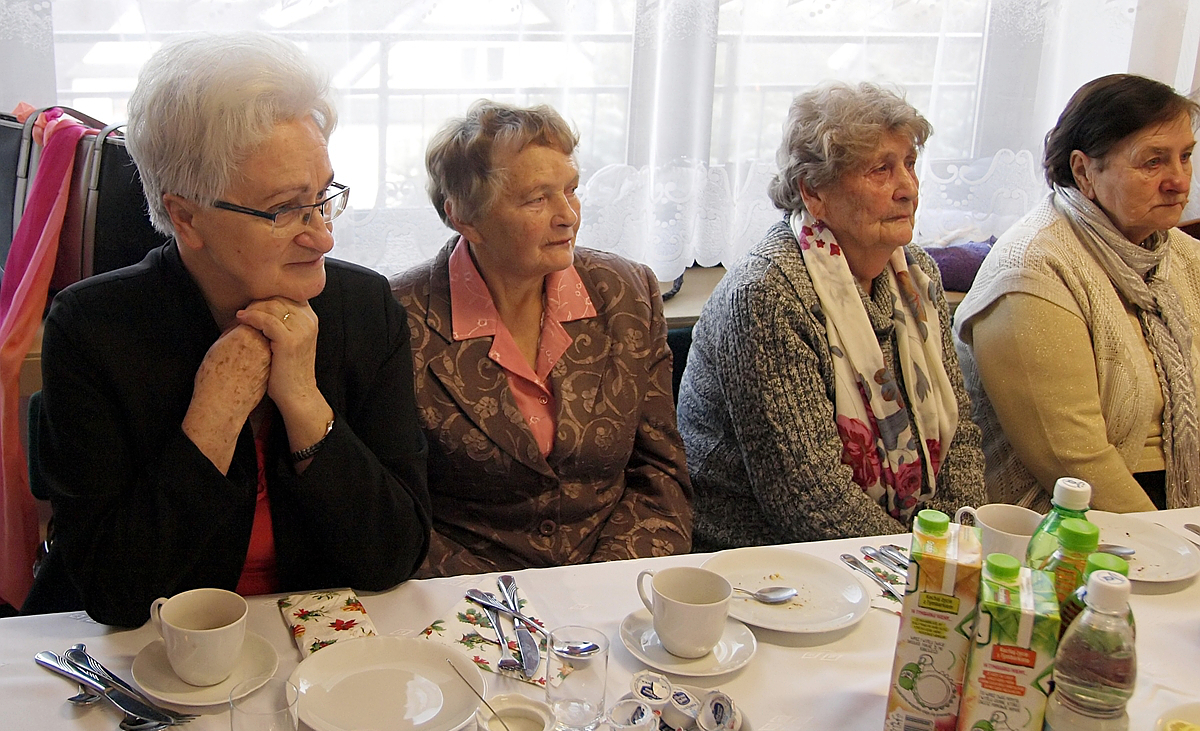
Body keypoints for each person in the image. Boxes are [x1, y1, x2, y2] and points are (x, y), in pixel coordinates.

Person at [22, 33, 432, 626]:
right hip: (155, 654)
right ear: (186, 217)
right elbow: (115, 594)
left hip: (315, 654)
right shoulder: (94, 329)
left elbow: (394, 555)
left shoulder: (363, 309)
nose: (323, 235)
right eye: (284, 209)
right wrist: (214, 413)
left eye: (323, 196)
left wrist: (303, 401)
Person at [677, 82, 985, 550]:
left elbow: (959, 435)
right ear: (814, 192)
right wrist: (922, 561)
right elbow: (809, 500)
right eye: (881, 170)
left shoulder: (918, 277)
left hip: (900, 548)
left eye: (909, 163)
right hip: (763, 558)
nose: (908, 188)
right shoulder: (766, 294)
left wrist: (957, 543)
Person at [391, 99, 692, 577]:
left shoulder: (627, 293)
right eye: (537, 199)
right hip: (469, 595)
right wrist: (505, 601)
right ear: (465, 217)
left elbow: (661, 473)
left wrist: (598, 586)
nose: (567, 215)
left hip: (610, 582)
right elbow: (393, 511)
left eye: (571, 190)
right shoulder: (398, 318)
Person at [955, 74, 1200, 512]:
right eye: (1153, 162)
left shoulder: (1183, 256)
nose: (1179, 181)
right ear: (1084, 171)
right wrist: (1176, 541)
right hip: (1070, 523)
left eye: (1185, 157)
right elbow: (1077, 463)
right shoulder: (1032, 270)